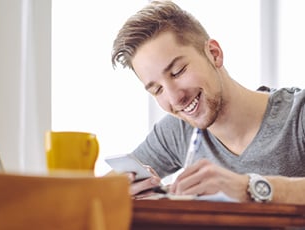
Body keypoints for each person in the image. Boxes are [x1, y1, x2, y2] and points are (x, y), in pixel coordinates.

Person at [111, 0, 305, 204]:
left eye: (178, 72)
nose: (176, 99)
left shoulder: (298, 114)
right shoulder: (177, 131)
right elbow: (100, 191)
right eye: (157, 90)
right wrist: (123, 190)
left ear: (214, 54)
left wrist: (247, 188)